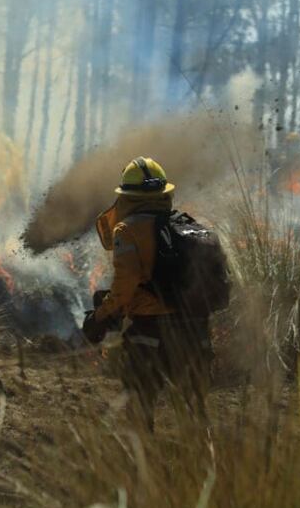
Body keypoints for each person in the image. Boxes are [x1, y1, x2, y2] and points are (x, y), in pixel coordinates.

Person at [82, 157, 215, 430]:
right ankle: (206, 465)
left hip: (151, 336)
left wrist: (98, 318)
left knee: (140, 410)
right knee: (195, 412)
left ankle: (141, 467)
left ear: (127, 197)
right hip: (196, 332)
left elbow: (124, 288)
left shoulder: (127, 230)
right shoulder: (186, 225)